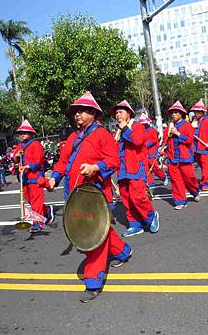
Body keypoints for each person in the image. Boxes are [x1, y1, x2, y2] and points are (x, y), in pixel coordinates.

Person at [48, 92, 132, 303]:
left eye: (82, 110)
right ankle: (123, 251)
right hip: (76, 194)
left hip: (96, 195)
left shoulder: (102, 134)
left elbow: (114, 161)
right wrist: (54, 178)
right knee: (101, 231)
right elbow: (63, 162)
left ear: (93, 113)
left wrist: (96, 167)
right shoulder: (72, 138)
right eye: (75, 111)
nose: (77, 114)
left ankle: (93, 281)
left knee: (93, 238)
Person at [110, 100, 160, 237]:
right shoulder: (118, 132)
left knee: (137, 196)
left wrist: (125, 128)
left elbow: (137, 141)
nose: (117, 115)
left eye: (120, 112)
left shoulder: (137, 127)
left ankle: (150, 216)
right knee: (126, 198)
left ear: (129, 114)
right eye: (116, 113)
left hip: (136, 168)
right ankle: (135, 224)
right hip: (122, 170)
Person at [13, 120, 54, 232]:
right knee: (27, 199)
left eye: (25, 132)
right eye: (21, 132)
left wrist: (27, 167)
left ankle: (38, 223)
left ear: (31, 133)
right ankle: (46, 210)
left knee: (36, 201)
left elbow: (38, 161)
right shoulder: (20, 146)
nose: (23, 134)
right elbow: (15, 160)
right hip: (24, 178)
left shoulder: (36, 145)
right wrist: (17, 156)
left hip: (35, 177)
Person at [160, 101, 201, 210]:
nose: (174, 114)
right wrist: (162, 148)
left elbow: (189, 140)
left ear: (181, 114)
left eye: (176, 112)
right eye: (172, 113)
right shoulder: (169, 126)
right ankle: (180, 201)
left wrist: (177, 133)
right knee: (175, 180)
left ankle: (195, 191)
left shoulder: (187, 125)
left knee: (189, 178)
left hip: (185, 158)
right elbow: (165, 141)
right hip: (172, 158)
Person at [190, 100, 208, 191]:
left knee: (205, 166)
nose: (197, 113)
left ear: (203, 112)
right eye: (196, 112)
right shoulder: (193, 121)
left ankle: (205, 183)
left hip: (204, 147)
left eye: (199, 112)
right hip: (195, 147)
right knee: (202, 166)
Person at [138, 113, 168, 188]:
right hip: (144, 152)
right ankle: (150, 183)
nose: (143, 125)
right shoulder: (141, 131)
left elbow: (153, 141)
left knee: (154, 167)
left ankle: (163, 176)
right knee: (146, 168)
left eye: (144, 123)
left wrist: (143, 145)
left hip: (152, 152)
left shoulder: (152, 130)